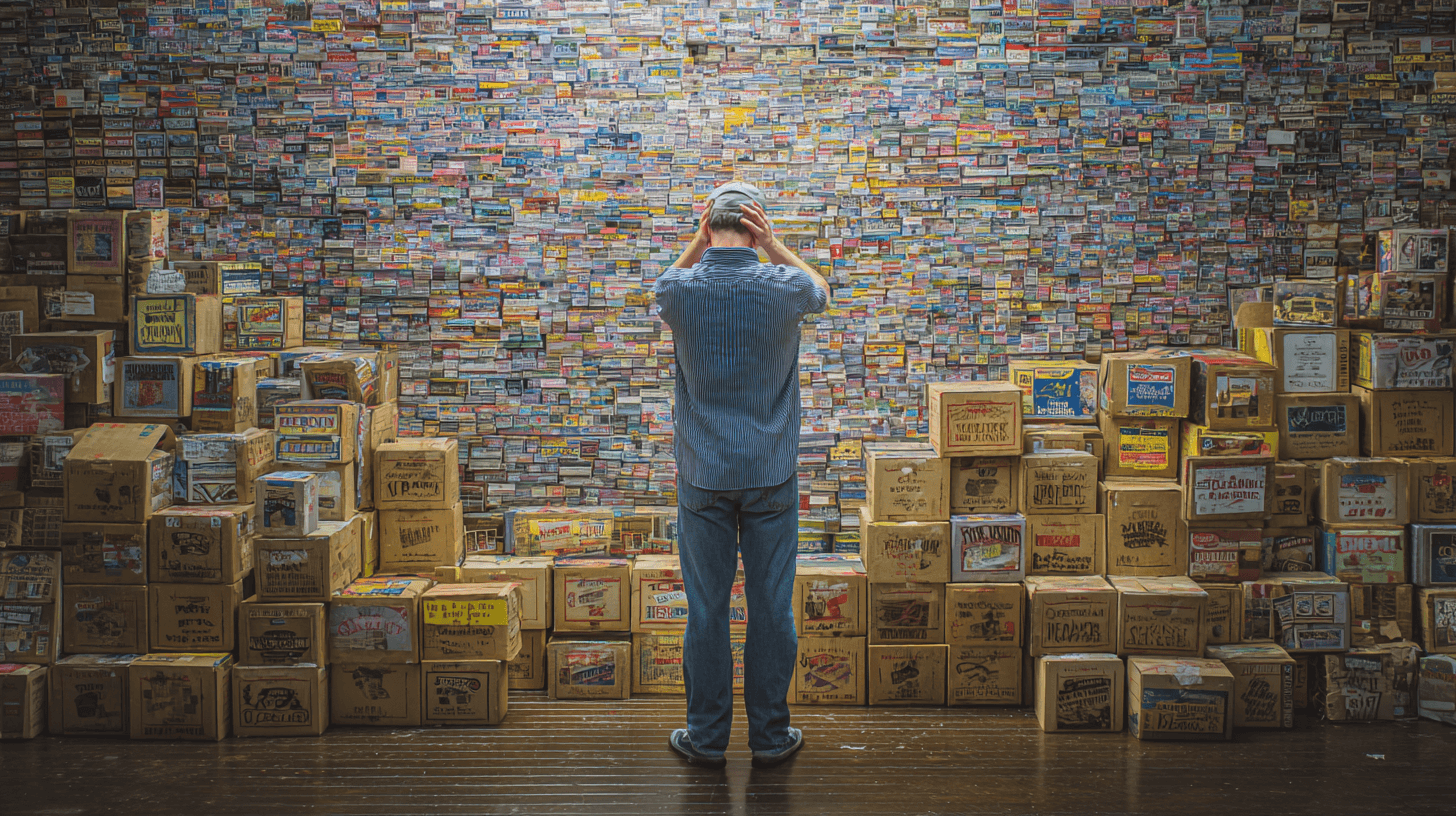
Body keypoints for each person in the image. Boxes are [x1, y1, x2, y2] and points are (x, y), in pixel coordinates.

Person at [652, 182, 830, 769]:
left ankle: (706, 739)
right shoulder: (785, 285)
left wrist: (697, 240)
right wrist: (774, 245)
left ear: (708, 227)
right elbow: (821, 290)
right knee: (771, 607)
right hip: (770, 472)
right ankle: (770, 738)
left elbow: (663, 283)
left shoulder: (680, 289)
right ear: (756, 227)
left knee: (706, 610)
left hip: (703, 475)